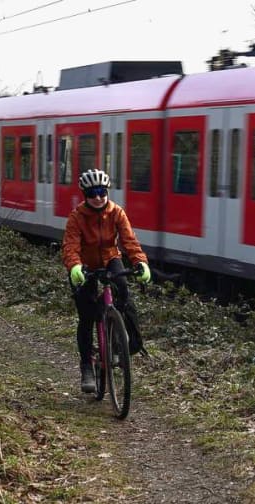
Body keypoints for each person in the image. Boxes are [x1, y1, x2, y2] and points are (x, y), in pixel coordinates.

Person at [61, 168, 151, 393]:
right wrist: (74, 267)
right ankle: (87, 367)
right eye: (93, 193)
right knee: (86, 316)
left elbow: (130, 241)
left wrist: (141, 263)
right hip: (85, 265)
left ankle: (123, 339)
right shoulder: (77, 217)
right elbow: (70, 246)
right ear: (85, 195)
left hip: (111, 259)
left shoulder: (117, 212)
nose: (99, 197)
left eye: (102, 191)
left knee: (123, 291)